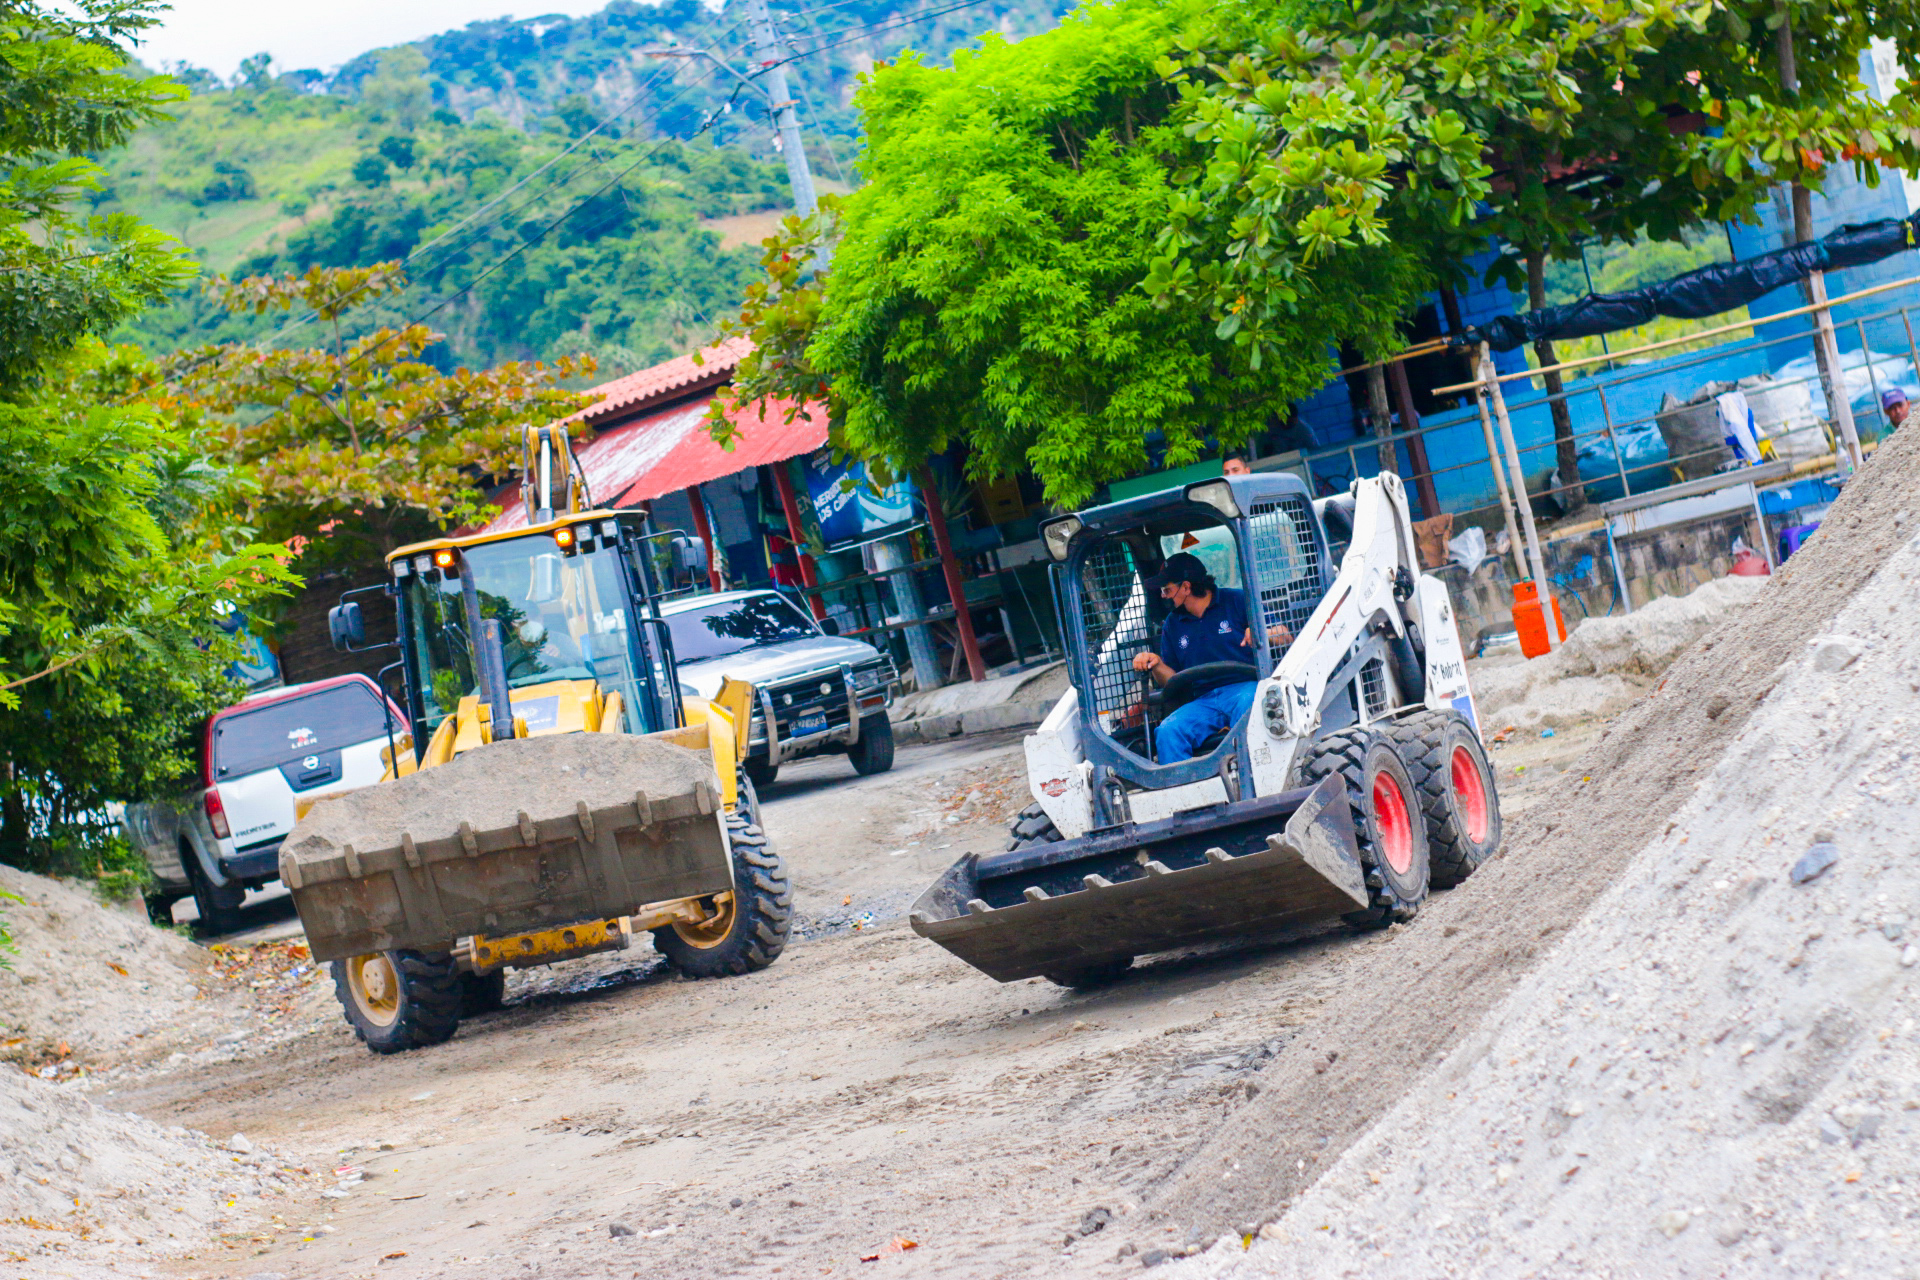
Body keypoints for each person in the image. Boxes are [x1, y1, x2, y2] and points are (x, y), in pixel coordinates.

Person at [1130, 552, 1292, 761]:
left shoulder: (1237, 600)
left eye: (1167, 589)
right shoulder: (1172, 623)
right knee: (1168, 731)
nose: (1164, 596)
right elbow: (1171, 681)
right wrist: (1156, 664)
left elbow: (1285, 635)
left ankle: (1250, 772)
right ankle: (1186, 782)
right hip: (1204, 700)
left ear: (1186, 587)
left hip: (1246, 688)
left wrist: (1263, 633)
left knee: (1249, 708)